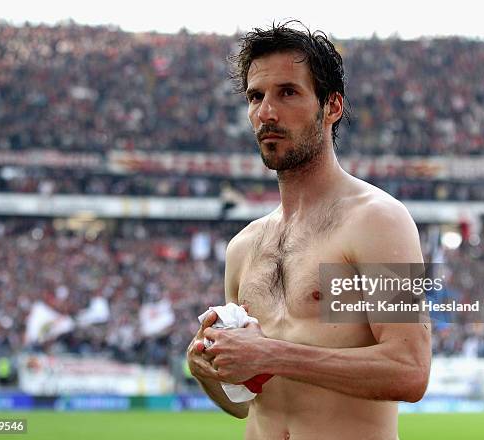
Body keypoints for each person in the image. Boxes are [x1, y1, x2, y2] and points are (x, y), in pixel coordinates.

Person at [187, 21, 431, 440]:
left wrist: (273, 354)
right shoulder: (243, 247)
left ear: (331, 107)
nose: (266, 112)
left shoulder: (376, 221)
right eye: (255, 96)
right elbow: (244, 404)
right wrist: (206, 369)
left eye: (288, 92)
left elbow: (410, 371)